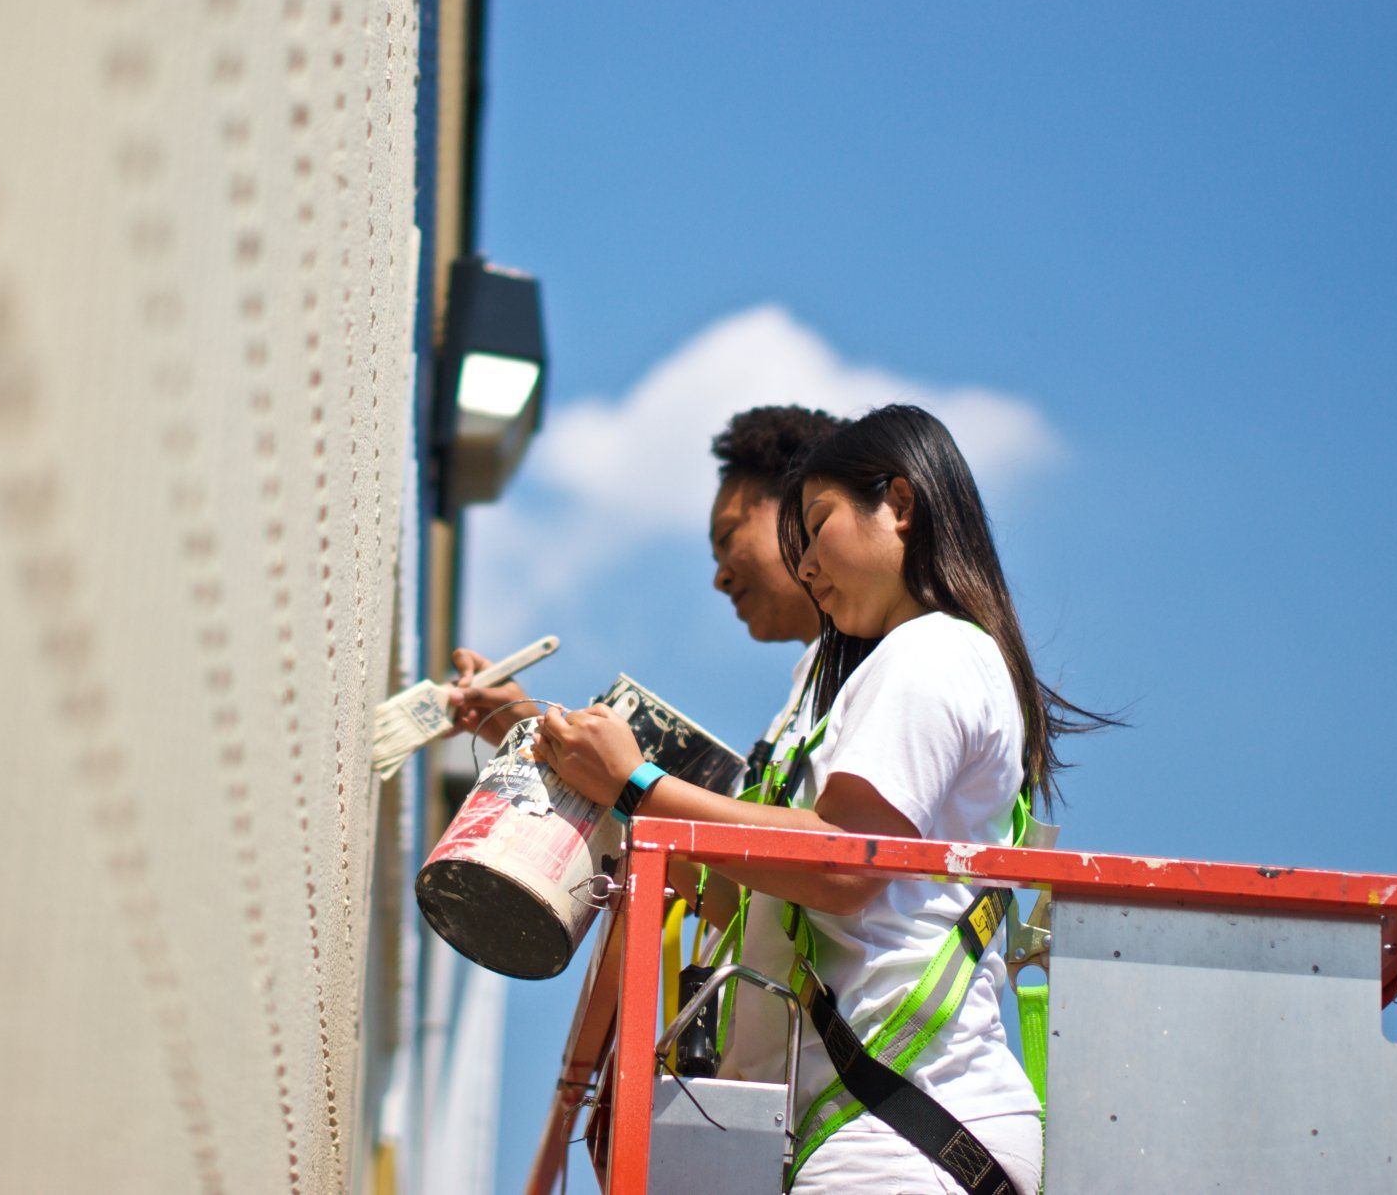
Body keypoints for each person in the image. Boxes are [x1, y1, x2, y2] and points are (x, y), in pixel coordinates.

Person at [533, 404, 1112, 1194]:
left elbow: (841, 866)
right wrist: (606, 785)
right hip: (889, 1122)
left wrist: (639, 785)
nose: (805, 565)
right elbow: (770, 892)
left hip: (904, 1129)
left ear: (899, 503)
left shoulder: (932, 650)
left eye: (816, 524)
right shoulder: (915, 664)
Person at [443, 404, 837, 746]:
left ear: (802, 511)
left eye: (728, 536)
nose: (720, 579)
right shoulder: (802, 702)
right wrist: (529, 730)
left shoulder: (870, 672)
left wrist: (631, 777)